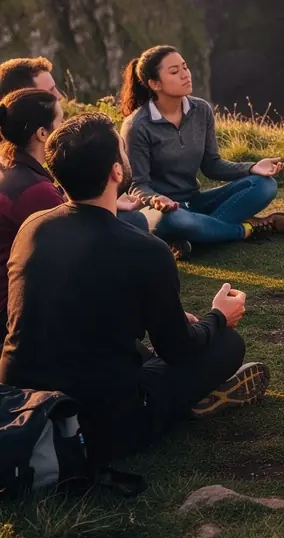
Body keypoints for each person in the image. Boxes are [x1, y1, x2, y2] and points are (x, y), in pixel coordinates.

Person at [0, 113, 270, 463]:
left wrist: (166, 317)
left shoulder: (33, 228)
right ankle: (181, 403)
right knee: (227, 344)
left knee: (138, 345)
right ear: (116, 172)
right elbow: (178, 350)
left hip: (20, 397)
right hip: (98, 422)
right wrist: (219, 316)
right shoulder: (146, 249)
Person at [120, 45, 284, 260]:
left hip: (195, 202)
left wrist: (251, 167)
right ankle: (247, 229)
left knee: (264, 185)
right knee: (176, 220)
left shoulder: (201, 109)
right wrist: (156, 199)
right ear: (154, 84)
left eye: (185, 67)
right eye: (174, 72)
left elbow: (212, 165)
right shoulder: (137, 125)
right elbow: (138, 185)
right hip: (163, 212)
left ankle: (194, 237)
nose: (185, 75)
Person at [0, 89, 148, 328]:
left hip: (24, 291)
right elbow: (76, 237)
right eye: (60, 120)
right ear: (42, 133)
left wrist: (110, 198)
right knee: (134, 226)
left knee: (132, 220)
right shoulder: (34, 191)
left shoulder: (12, 167)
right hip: (17, 308)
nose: (66, 125)